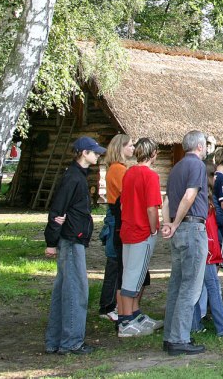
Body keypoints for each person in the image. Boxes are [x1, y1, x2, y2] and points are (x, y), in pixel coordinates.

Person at [44, 137, 105, 355]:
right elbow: (58, 210)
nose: (97, 155)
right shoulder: (73, 178)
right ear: (82, 153)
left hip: (72, 238)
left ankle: (54, 341)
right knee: (76, 291)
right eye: (94, 152)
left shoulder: (77, 176)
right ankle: (71, 342)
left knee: (64, 290)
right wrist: (51, 241)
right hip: (71, 240)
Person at [160, 130, 211, 356]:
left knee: (177, 284)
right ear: (199, 146)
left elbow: (167, 199)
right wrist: (176, 221)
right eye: (206, 145)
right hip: (191, 228)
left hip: (179, 229)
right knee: (190, 287)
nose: (207, 149)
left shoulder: (176, 167)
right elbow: (189, 196)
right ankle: (179, 338)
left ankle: (170, 337)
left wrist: (168, 223)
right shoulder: (197, 166)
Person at [194, 147, 223, 340]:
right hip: (207, 250)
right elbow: (208, 229)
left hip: (207, 248)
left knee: (199, 287)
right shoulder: (204, 201)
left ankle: (194, 323)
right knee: (213, 286)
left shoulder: (205, 199)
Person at [117, 138, 163, 338]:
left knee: (130, 271)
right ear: (153, 154)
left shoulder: (128, 173)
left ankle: (133, 314)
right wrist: (154, 229)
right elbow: (151, 208)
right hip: (141, 230)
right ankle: (125, 321)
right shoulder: (150, 176)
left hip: (127, 228)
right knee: (134, 277)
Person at [99, 133, 134, 322]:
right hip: (116, 217)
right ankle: (108, 305)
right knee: (114, 262)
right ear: (121, 148)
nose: (132, 148)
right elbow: (125, 194)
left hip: (115, 216)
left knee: (116, 262)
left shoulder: (116, 168)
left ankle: (109, 304)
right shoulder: (118, 169)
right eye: (129, 145)